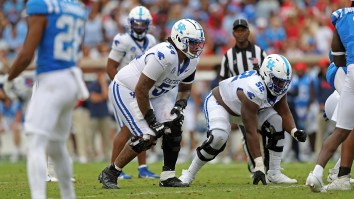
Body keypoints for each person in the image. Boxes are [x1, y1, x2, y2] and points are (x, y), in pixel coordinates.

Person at [98, 18, 205, 189]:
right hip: (127, 89)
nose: (196, 48)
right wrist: (152, 120)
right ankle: (110, 173)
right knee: (147, 136)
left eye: (198, 43)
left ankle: (168, 176)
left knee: (175, 123)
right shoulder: (165, 54)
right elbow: (141, 89)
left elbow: (185, 88)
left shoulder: (191, 60)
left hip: (152, 94)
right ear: (178, 39)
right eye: (192, 43)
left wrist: (180, 105)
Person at [179, 54, 307, 186]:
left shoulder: (276, 86)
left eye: (284, 81)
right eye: (278, 81)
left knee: (276, 121)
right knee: (218, 137)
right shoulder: (253, 89)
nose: (281, 85)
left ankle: (274, 173)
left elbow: (284, 112)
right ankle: (189, 173)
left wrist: (294, 131)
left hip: (243, 108)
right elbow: (250, 131)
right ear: (266, 75)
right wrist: (258, 165)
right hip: (221, 104)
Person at [3, 1, 87, 198]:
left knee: (35, 142)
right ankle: (68, 194)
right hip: (71, 79)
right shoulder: (76, 6)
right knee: (57, 145)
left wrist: (9, 78)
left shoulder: (40, 4)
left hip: (51, 79)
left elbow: (26, 53)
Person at [219, 18, 295, 183]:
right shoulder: (228, 56)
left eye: (243, 30)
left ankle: (270, 168)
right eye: (237, 30)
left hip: (262, 99)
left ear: (248, 32)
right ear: (233, 33)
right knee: (248, 133)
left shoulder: (260, 52)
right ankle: (256, 168)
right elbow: (223, 81)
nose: (240, 33)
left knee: (270, 131)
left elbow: (270, 71)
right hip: (240, 101)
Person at [104, 5, 159, 179]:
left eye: (143, 24)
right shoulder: (123, 40)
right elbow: (110, 67)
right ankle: (114, 167)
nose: (140, 27)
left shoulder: (151, 40)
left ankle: (142, 167)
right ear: (130, 24)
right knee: (126, 129)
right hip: (124, 89)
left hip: (141, 90)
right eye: (137, 23)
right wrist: (123, 87)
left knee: (142, 128)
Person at [306, 2, 354, 192]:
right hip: (337, 98)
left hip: (349, 73)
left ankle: (317, 173)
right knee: (348, 128)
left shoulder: (342, 16)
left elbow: (338, 56)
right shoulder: (334, 72)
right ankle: (340, 173)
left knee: (343, 130)